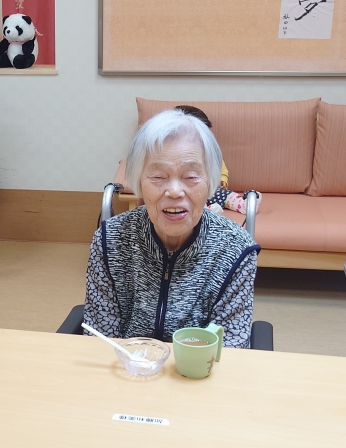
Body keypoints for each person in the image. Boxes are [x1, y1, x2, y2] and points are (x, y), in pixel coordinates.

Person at [84, 109, 261, 348]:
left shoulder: (236, 249)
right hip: (127, 365)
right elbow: (99, 340)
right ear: (139, 183)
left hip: (198, 368)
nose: (175, 191)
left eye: (190, 176)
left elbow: (230, 348)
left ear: (211, 182)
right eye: (158, 176)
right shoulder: (110, 240)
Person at [174, 105, 261, 215]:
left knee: (226, 195)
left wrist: (223, 179)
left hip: (211, 190)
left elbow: (220, 166)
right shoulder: (171, 153)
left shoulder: (211, 152)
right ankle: (206, 212)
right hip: (186, 191)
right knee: (191, 198)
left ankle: (245, 205)